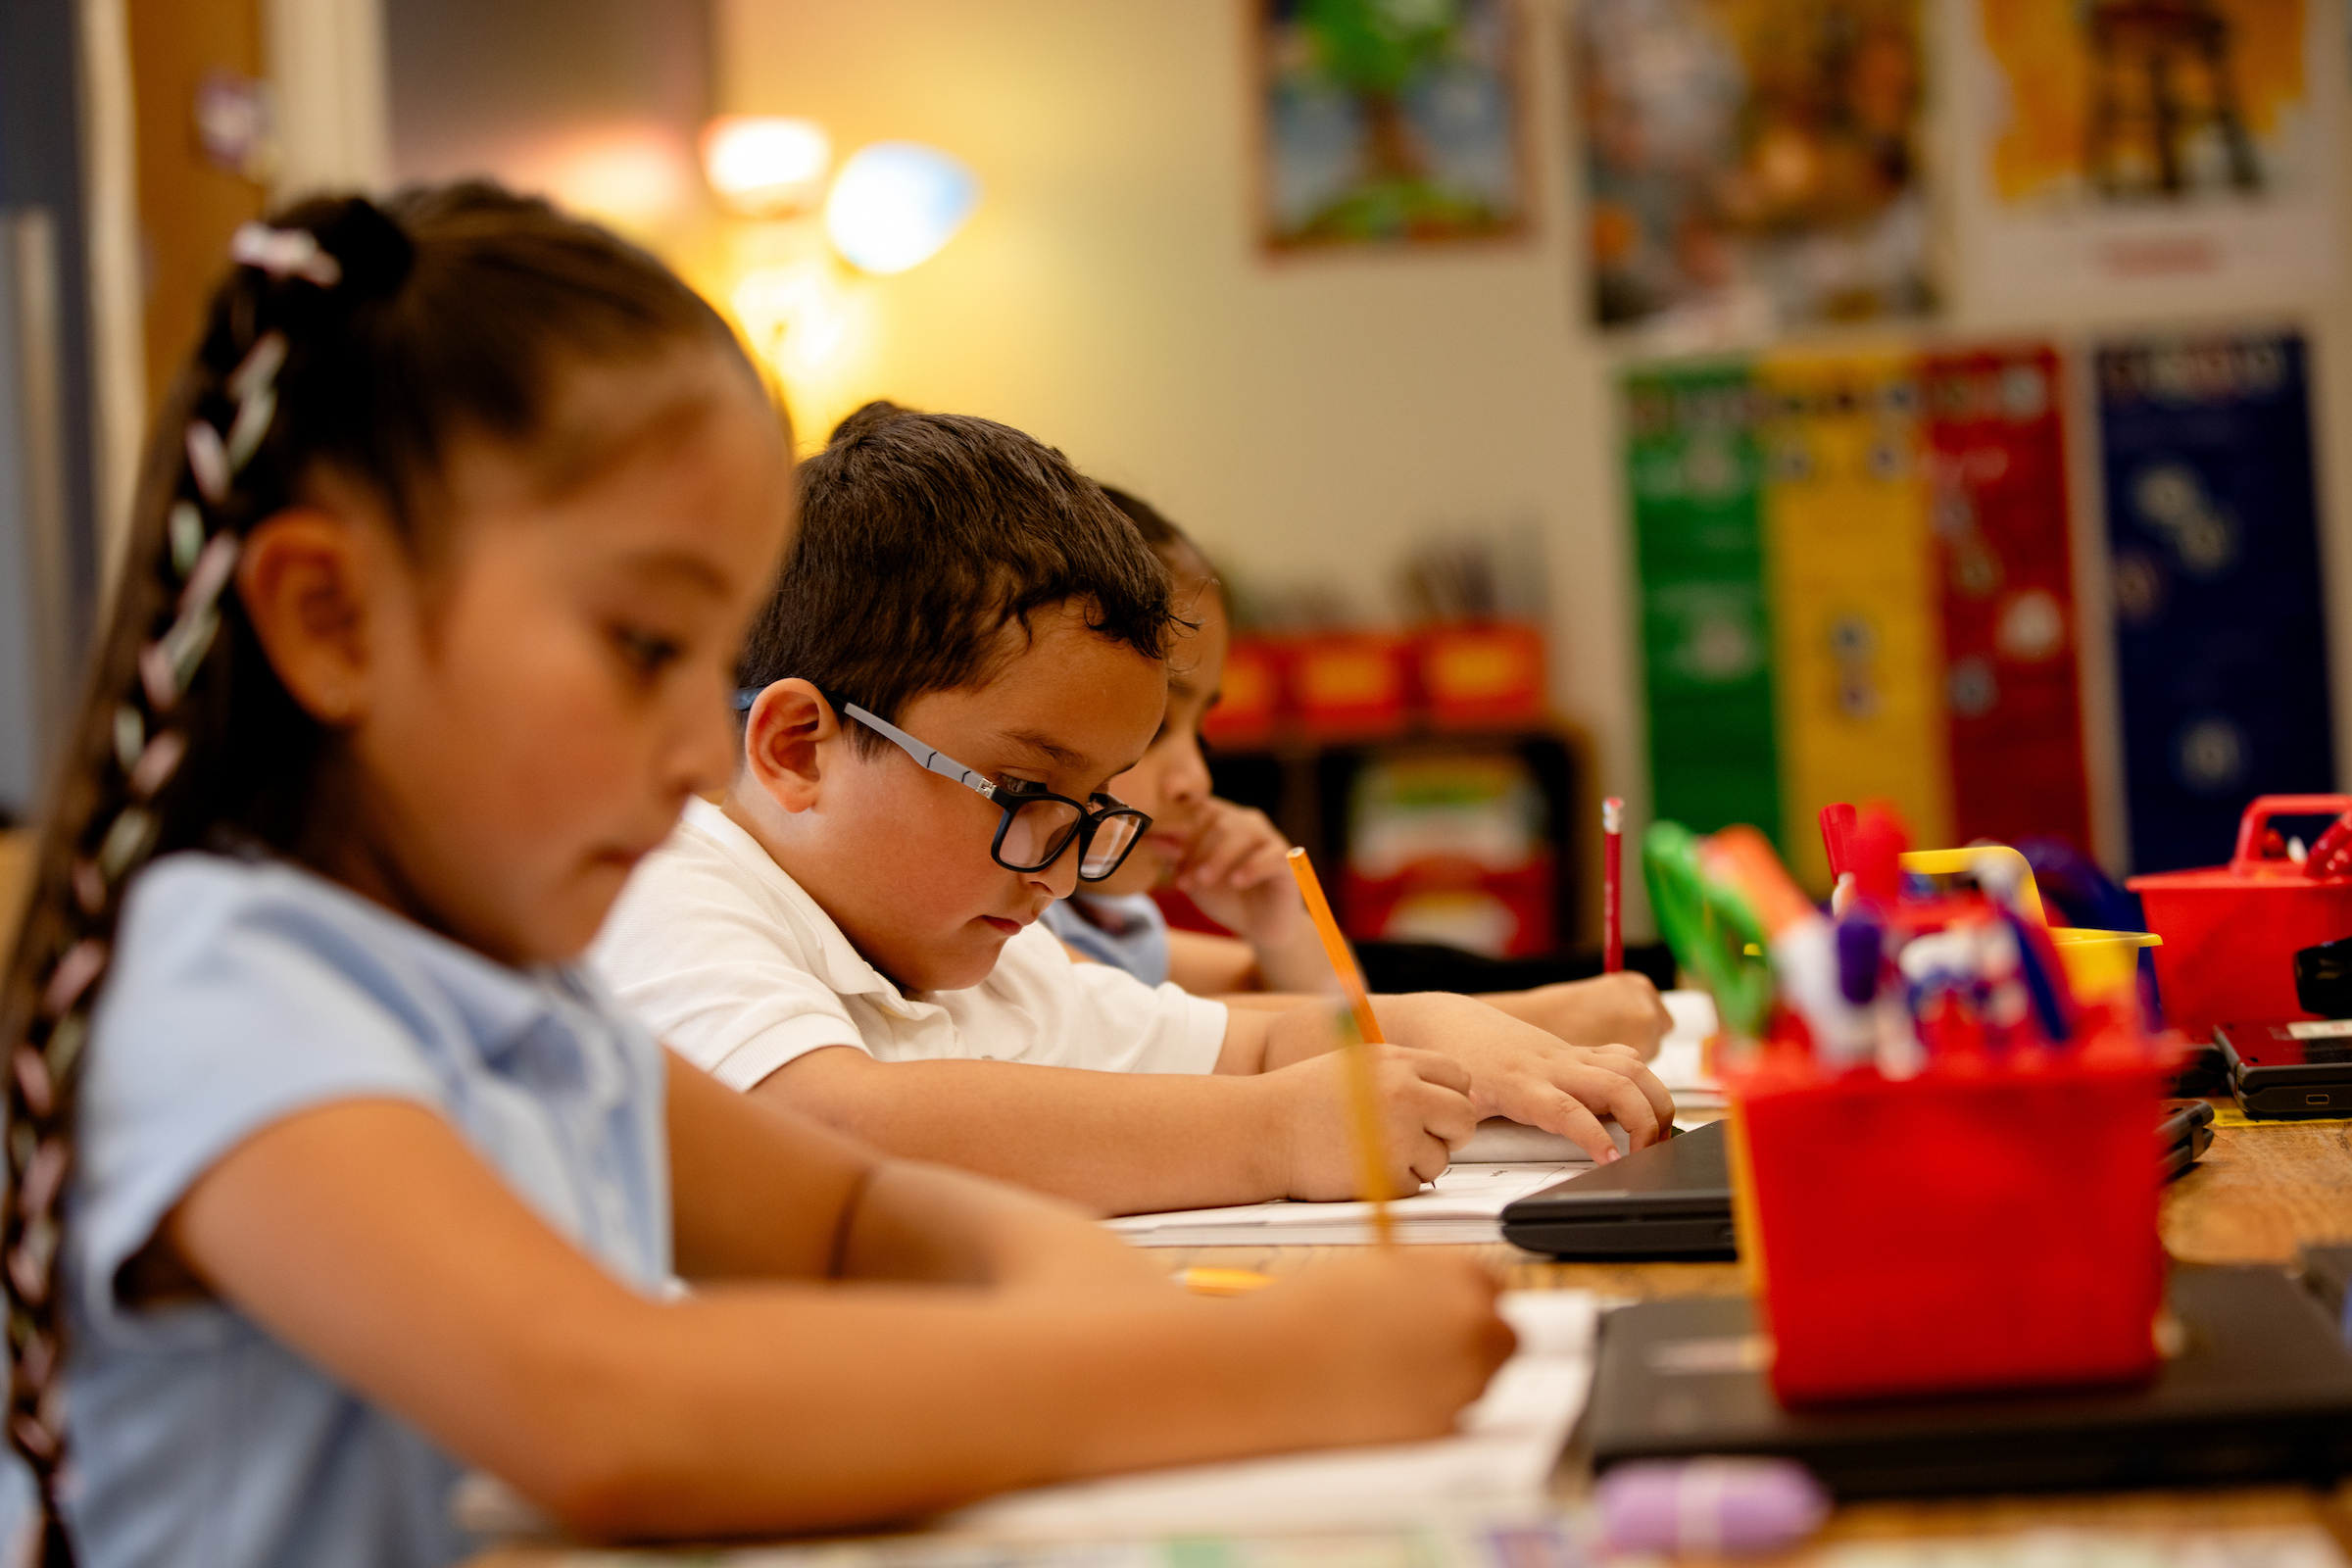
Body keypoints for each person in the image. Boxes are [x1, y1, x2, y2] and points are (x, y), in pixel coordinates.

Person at [0, 187, 1514, 1567]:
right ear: (333, 622)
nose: (691, 754)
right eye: (648, 649)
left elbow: (854, 1218)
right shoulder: (222, 987)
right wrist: (1258, 1370)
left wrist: (1097, 1304)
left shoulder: (518, 996)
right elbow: (611, 1413)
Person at [593, 403, 1673, 1218]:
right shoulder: (670, 881)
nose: (1063, 874)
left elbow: (1243, 1051)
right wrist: (1273, 1138)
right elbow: (823, 1123)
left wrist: (1433, 1028)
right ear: (797, 749)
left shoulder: (987, 955)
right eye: (1025, 794)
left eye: (1090, 811)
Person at [1047, 486, 1675, 1061]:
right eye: (1155, 732)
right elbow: (1207, 1033)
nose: (1196, 781)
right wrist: (1538, 1018)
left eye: (1201, 731)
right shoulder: (1028, 935)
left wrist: (1279, 926)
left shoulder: (1118, 922)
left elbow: (1318, 1002)